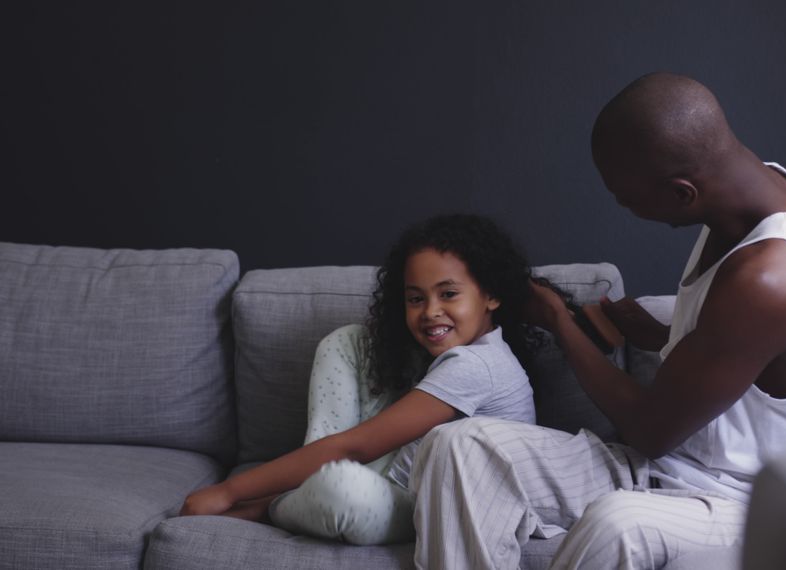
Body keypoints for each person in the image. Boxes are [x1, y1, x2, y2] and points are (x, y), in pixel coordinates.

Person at [406, 72, 786, 569]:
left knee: (616, 526)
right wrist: (668, 336)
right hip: (669, 468)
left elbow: (649, 430)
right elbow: (752, 356)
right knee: (456, 448)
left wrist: (561, 323)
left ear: (683, 193)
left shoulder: (771, 279)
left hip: (747, 501)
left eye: (627, 196)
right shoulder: (758, 189)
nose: (622, 206)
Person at [180, 214, 555, 546]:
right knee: (349, 341)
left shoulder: (478, 366)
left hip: (439, 507)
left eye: (449, 294)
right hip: (400, 474)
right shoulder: (462, 357)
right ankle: (305, 490)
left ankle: (272, 506)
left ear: (491, 295)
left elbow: (357, 447)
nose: (431, 312)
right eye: (415, 298)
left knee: (342, 488)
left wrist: (228, 491)